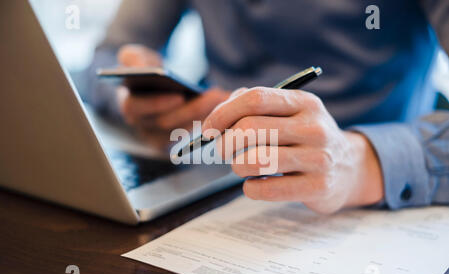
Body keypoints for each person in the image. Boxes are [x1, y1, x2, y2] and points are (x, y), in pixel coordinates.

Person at [86, 0, 449, 214]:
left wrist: (362, 162)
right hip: (207, 178)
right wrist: (130, 97)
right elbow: (107, 54)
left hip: (369, 205)